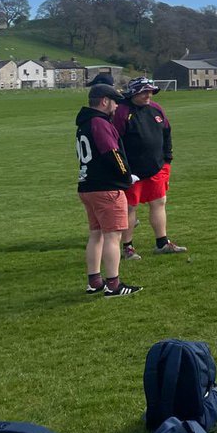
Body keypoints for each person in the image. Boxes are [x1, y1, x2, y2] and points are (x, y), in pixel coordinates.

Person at [76, 83, 142, 297]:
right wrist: (125, 177)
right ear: (104, 101)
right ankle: (114, 285)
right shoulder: (99, 123)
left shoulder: (84, 123)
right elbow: (111, 153)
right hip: (106, 188)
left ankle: (94, 281)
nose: (116, 107)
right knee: (113, 236)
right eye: (114, 102)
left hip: (87, 185)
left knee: (96, 235)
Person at [114, 78, 186, 259]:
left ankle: (162, 243)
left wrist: (167, 160)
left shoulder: (156, 108)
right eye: (144, 92)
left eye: (150, 91)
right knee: (130, 207)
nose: (148, 95)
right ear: (133, 93)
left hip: (156, 167)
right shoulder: (122, 112)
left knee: (159, 202)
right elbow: (115, 142)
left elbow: (167, 132)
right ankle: (127, 247)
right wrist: (123, 170)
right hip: (132, 172)